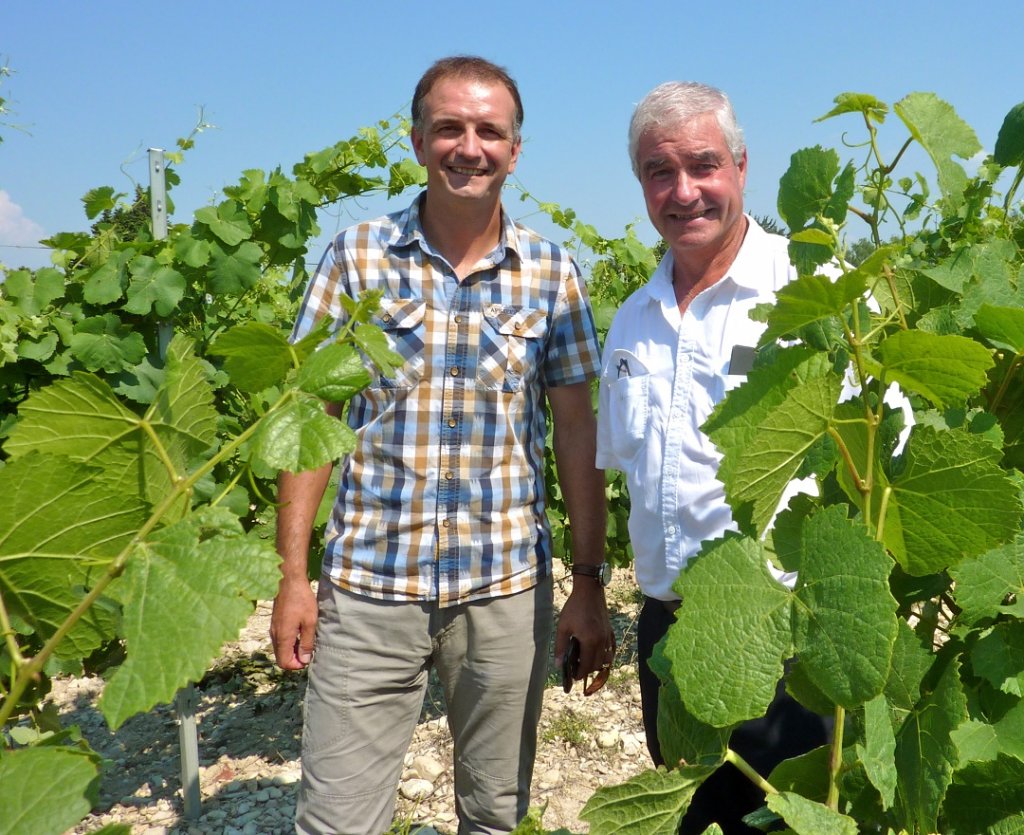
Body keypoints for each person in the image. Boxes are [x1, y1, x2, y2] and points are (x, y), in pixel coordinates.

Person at [270, 55, 615, 835]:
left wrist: (587, 582)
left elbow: (576, 430)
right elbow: (311, 415)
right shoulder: (356, 257)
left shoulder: (552, 273)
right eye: (450, 128)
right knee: (335, 820)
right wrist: (294, 577)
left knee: (495, 815)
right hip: (367, 586)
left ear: (515, 150)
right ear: (419, 139)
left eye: (489, 131)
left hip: (503, 588)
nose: (470, 146)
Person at [595, 81, 831, 833]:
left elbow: (880, 453)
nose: (683, 190)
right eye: (659, 172)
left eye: (703, 165)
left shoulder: (811, 292)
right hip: (667, 634)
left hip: (782, 637)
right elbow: (622, 473)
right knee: (692, 819)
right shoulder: (632, 321)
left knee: (786, 823)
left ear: (741, 166)